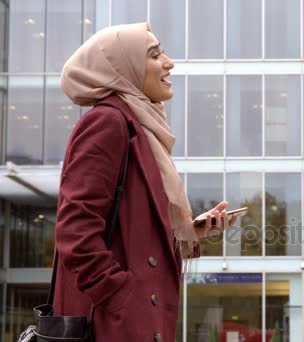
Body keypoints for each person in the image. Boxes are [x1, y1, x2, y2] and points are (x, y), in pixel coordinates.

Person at [55, 22, 235, 341]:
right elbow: (75, 230)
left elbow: (135, 231)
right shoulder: (108, 122)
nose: (168, 62)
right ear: (123, 68)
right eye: (154, 55)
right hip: (111, 324)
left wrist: (190, 230)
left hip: (133, 321)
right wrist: (121, 296)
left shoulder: (141, 128)